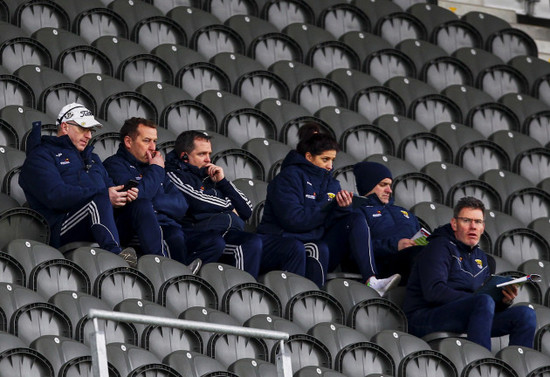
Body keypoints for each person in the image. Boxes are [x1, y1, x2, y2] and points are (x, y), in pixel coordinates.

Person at [257, 130, 400, 293]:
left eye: (332, 160)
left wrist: (342, 208)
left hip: (315, 238)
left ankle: (372, 280)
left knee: (354, 218)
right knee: (318, 248)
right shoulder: (287, 178)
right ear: (309, 157)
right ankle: (312, 299)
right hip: (286, 242)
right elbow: (294, 220)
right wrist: (329, 209)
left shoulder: (331, 183)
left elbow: (328, 221)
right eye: (325, 159)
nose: (330, 166)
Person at [165, 131, 306, 279]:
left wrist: (223, 182)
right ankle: (244, 296)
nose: (208, 159)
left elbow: (246, 209)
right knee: (249, 244)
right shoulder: (174, 174)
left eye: (209, 153)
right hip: (205, 234)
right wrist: (229, 205)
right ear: (184, 157)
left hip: (234, 232)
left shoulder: (212, 174)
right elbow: (198, 201)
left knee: (293, 248)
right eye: (202, 154)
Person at [403, 196, 536, 350]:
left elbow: (484, 302)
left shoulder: (483, 259)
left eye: (478, 222)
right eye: (466, 221)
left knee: (526, 315)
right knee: (483, 301)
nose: (473, 226)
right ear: (454, 223)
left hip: (469, 313)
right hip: (425, 316)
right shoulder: (438, 247)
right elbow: (434, 292)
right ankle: (481, 366)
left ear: (483, 227)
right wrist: (477, 300)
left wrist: (503, 300)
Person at [19, 103, 137, 264]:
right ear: (65, 127)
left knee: (140, 206)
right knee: (100, 198)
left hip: (97, 218)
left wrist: (122, 197)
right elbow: (55, 196)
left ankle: (156, 261)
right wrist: (103, 194)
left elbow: (110, 188)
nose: (89, 136)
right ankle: (116, 255)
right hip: (60, 228)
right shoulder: (40, 156)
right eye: (84, 129)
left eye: (91, 131)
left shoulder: (92, 158)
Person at [103, 118, 221, 271]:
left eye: (154, 141)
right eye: (146, 141)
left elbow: (181, 205)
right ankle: (171, 272)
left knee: (214, 242)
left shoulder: (155, 166)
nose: (153, 147)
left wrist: (154, 203)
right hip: (133, 229)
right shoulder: (114, 165)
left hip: (168, 225)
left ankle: (183, 272)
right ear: (128, 141)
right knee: (170, 233)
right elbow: (139, 199)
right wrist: (156, 171)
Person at [353, 161, 423, 283]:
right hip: (387, 265)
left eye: (390, 185)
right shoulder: (359, 213)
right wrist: (395, 246)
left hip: (416, 259)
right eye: (383, 184)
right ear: (368, 185)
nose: (389, 190)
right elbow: (358, 249)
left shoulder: (404, 212)